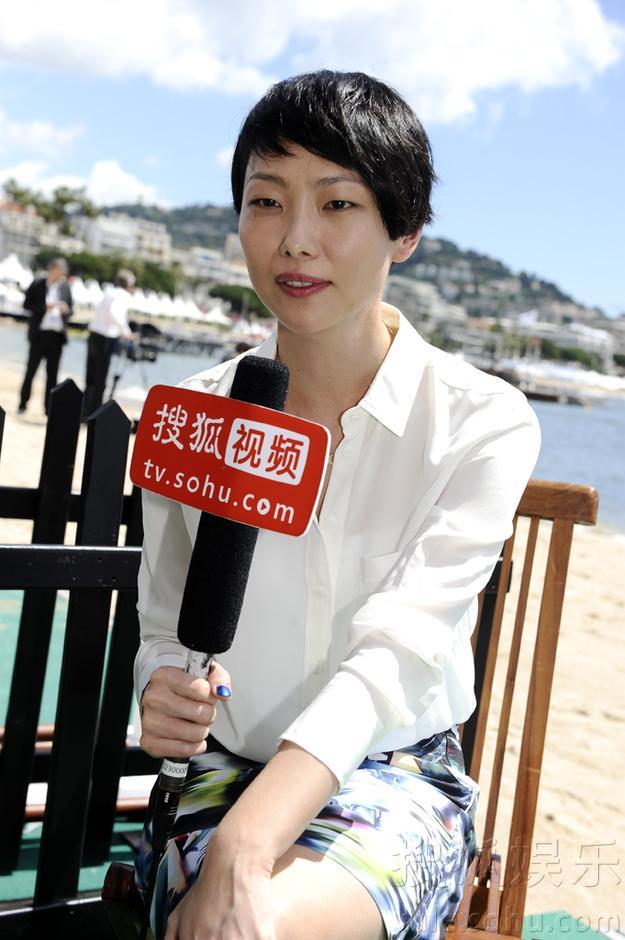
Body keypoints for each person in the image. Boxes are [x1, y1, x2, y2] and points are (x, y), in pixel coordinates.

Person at [133, 71, 541, 940]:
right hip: (219, 769)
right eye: (266, 201)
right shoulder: (192, 416)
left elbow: (397, 653)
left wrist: (248, 841)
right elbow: (164, 624)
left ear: (405, 231)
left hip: (396, 775)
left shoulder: (481, 421)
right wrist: (160, 685)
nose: (295, 240)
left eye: (338, 204)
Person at [18, 257, 73, 415]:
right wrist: (44, 307)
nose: (60, 275)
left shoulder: (65, 287)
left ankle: (49, 409)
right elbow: (26, 305)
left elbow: (71, 310)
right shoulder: (37, 284)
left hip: (57, 337)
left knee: (53, 375)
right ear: (51, 269)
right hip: (39, 335)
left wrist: (65, 310)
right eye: (59, 272)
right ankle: (23, 404)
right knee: (31, 371)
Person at [83, 268, 136, 419]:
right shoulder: (122, 295)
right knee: (100, 380)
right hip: (105, 338)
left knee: (90, 378)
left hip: (94, 334)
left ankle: (84, 410)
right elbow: (115, 313)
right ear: (129, 284)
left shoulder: (108, 292)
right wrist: (126, 332)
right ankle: (93, 414)